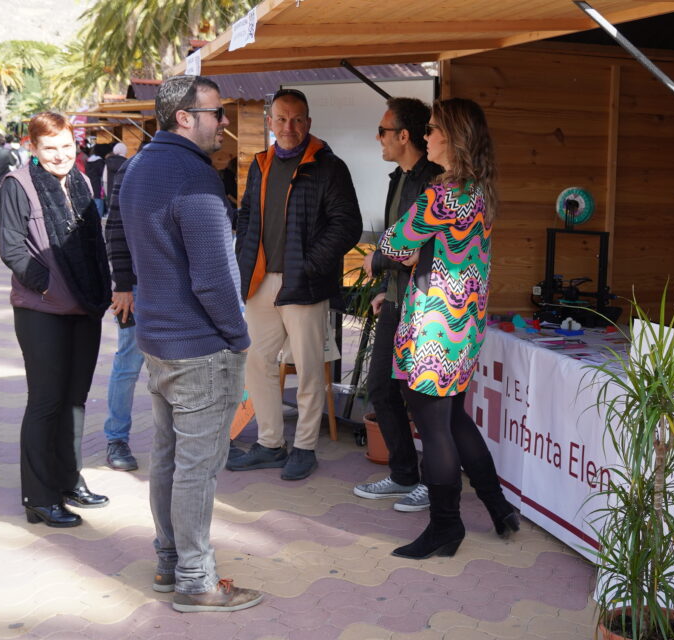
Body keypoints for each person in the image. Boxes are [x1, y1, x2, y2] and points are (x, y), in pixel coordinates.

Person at [119, 74, 261, 612]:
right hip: (199, 346)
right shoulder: (192, 177)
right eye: (215, 112)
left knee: (170, 459)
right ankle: (195, 580)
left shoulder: (139, 166)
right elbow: (215, 278)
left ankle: (169, 561)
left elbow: (124, 243)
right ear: (184, 117)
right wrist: (239, 337)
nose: (223, 122)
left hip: (160, 339)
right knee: (194, 467)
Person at [363, 98, 519, 559]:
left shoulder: (442, 194)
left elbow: (393, 243)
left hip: (433, 324)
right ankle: (499, 509)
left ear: (455, 138)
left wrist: (387, 255)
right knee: (452, 419)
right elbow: (438, 247)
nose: (426, 136)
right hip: (463, 324)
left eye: (432, 130)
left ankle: (446, 528)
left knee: (434, 428)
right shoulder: (478, 192)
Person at [228, 88, 361, 481]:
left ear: (309, 122)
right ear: (270, 122)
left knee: (307, 370)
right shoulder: (260, 163)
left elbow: (346, 226)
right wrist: (244, 257)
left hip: (304, 284)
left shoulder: (328, 166)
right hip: (260, 281)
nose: (289, 127)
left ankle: (304, 447)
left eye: (297, 119)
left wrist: (308, 265)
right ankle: (270, 443)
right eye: (282, 119)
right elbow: (248, 213)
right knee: (258, 363)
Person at [0, 112, 113, 528]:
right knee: (46, 402)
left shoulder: (81, 180)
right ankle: (39, 496)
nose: (61, 155)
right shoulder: (17, 185)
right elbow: (11, 247)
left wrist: (101, 286)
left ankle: (69, 480)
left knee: (75, 400)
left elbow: (94, 239)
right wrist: (45, 285)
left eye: (66, 146)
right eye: (51, 148)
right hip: (41, 310)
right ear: (33, 148)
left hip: (85, 306)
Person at [353, 97, 442, 512]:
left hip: (426, 307)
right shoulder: (399, 177)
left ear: (404, 136)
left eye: (384, 131)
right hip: (397, 298)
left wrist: (381, 261)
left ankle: (432, 483)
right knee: (382, 389)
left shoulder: (433, 180)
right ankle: (405, 474)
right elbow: (401, 245)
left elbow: (416, 247)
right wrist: (387, 285)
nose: (378, 138)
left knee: (420, 396)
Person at [101, 150, 141, 471]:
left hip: (178, 292)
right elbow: (114, 226)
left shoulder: (194, 163)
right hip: (136, 289)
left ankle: (182, 438)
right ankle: (116, 438)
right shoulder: (134, 167)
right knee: (127, 363)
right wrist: (123, 285)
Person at [102, 142, 129, 214]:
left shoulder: (108, 161)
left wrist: (106, 193)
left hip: (110, 190)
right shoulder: (127, 162)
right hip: (122, 192)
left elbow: (104, 179)